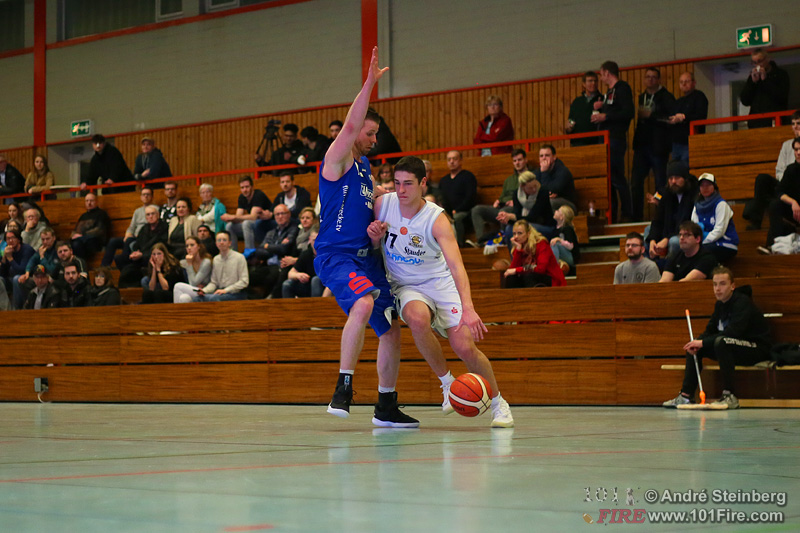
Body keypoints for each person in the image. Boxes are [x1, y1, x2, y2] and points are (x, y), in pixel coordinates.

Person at [314, 47, 417, 427]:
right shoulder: (336, 160)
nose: (374, 139)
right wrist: (370, 83)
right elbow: (350, 127)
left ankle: (385, 406)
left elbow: (379, 204)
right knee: (362, 303)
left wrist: (380, 231)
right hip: (336, 256)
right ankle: (343, 387)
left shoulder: (365, 170)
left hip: (366, 257)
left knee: (390, 328)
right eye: (370, 133)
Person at [371, 155, 514, 427]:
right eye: (397, 183)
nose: (401, 190)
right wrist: (374, 237)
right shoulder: (382, 205)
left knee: (465, 347)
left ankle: (499, 403)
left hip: (439, 283)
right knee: (416, 319)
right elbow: (367, 193)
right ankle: (447, 383)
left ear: (423, 183)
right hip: (406, 285)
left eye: (408, 184)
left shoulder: (436, 219)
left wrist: (469, 308)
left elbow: (457, 266)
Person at [663, 267, 771, 409]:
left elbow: (734, 332)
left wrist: (703, 342)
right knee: (695, 347)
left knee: (722, 342)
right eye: (715, 284)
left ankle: (729, 395)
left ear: (732, 286)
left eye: (722, 284)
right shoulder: (720, 305)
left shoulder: (742, 302)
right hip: (731, 347)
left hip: (755, 348)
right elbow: (710, 330)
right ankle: (686, 396)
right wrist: (697, 343)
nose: (718, 289)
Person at [591, 60, 635, 222]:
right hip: (605, 139)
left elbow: (628, 112)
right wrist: (602, 107)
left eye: (601, 74)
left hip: (615, 138)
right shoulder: (609, 92)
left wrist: (606, 116)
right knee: (609, 178)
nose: (601, 78)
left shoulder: (622, 88)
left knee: (617, 176)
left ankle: (627, 213)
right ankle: (613, 214)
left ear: (607, 73)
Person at [630, 68, 675, 221]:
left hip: (658, 146)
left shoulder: (666, 97)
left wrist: (652, 115)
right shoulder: (642, 97)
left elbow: (670, 119)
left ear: (659, 80)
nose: (650, 80)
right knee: (635, 182)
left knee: (660, 182)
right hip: (642, 145)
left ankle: (661, 215)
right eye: (647, 77)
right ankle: (636, 217)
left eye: (653, 77)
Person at [742, 111, 800, 229]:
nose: (795, 126)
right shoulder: (787, 145)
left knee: (775, 203)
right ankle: (756, 219)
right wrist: (786, 179)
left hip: (796, 187)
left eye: (798, 123)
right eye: (793, 123)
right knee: (762, 179)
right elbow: (779, 169)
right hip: (784, 183)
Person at [470, 149, 527, 244]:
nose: (517, 163)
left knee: (503, 212)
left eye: (519, 160)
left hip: (517, 209)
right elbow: (503, 196)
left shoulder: (530, 177)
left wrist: (516, 202)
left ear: (525, 160)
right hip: (503, 206)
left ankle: (503, 241)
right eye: (514, 161)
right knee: (477, 210)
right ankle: (481, 241)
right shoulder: (509, 180)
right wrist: (498, 201)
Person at [648, 161, 697, 262]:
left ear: (685, 179)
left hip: (686, 232)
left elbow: (687, 222)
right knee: (647, 233)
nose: (673, 181)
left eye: (677, 178)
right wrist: (652, 240)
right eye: (670, 178)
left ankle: (671, 268)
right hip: (670, 231)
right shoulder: (667, 194)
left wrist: (667, 239)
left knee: (674, 242)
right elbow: (658, 220)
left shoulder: (693, 194)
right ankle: (653, 266)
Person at [248, 204, 297, 299]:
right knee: (248, 277)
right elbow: (259, 251)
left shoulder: (293, 230)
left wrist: (267, 246)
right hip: (268, 264)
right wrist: (275, 248)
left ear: (289, 214)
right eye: (277, 214)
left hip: (282, 265)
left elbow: (284, 249)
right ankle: (256, 298)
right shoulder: (271, 232)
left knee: (272, 277)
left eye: (282, 213)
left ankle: (268, 299)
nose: (280, 216)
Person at [187, 231, 249, 302]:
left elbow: (244, 281)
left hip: (236, 293)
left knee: (214, 299)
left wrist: (226, 290)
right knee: (197, 299)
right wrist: (204, 290)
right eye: (219, 240)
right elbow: (214, 283)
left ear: (229, 243)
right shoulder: (216, 259)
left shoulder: (239, 257)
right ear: (216, 244)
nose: (221, 242)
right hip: (220, 293)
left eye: (224, 240)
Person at [497, 171, 555, 244]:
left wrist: (512, 216)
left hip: (544, 226)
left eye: (535, 186)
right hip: (528, 223)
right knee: (509, 229)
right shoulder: (517, 194)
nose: (534, 189)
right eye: (530, 188)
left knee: (525, 229)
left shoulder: (543, 192)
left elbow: (533, 217)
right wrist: (507, 219)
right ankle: (515, 251)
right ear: (522, 187)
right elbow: (517, 214)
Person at [691, 173, 738, 263]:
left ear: (714, 187)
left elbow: (719, 230)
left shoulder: (721, 204)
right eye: (702, 185)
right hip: (704, 243)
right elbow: (695, 228)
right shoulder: (696, 206)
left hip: (725, 244)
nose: (705, 188)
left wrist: (700, 243)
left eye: (708, 185)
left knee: (699, 252)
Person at [503, 219, 565, 288]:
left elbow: (541, 269)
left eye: (520, 233)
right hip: (531, 277)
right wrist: (518, 250)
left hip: (551, 279)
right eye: (514, 234)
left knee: (529, 275)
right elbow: (512, 269)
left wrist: (516, 270)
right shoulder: (519, 247)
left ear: (528, 234)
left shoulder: (541, 244)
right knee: (510, 277)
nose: (516, 236)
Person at [117, 205, 168, 287]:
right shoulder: (144, 228)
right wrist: (135, 252)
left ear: (158, 215)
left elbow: (161, 246)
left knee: (129, 270)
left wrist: (142, 255)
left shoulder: (164, 227)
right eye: (148, 214)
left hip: (154, 257)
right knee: (121, 262)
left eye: (153, 214)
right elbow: (137, 244)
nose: (150, 216)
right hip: (141, 257)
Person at [739, 48, 790, 129]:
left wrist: (765, 80)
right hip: (756, 123)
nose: (758, 65)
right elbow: (745, 100)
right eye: (754, 63)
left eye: (760, 61)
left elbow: (781, 97)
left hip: (774, 121)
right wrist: (752, 83)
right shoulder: (753, 77)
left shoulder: (780, 74)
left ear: (767, 59)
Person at [764, 137, 800, 248]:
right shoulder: (791, 169)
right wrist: (793, 202)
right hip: (795, 210)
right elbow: (779, 191)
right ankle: (774, 245)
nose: (798, 153)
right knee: (775, 204)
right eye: (796, 150)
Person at [221, 176, 273, 251]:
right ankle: (233, 252)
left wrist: (233, 217)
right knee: (229, 226)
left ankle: (249, 251)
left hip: (266, 224)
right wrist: (230, 219)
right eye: (242, 188)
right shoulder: (242, 197)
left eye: (247, 187)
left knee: (246, 223)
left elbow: (253, 217)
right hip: (254, 225)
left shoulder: (258, 194)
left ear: (252, 187)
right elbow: (238, 216)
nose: (245, 190)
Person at [439, 150, 477, 247]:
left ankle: (459, 244)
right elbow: (442, 199)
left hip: (466, 211)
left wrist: (457, 210)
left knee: (457, 217)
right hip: (448, 212)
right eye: (449, 159)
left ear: (461, 161)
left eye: (454, 159)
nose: (452, 161)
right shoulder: (444, 180)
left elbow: (470, 197)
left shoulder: (468, 177)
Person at [668, 72, 708, 163]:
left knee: (686, 166)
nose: (684, 84)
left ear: (694, 83)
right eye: (681, 82)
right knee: (676, 167)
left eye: (687, 81)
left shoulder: (699, 97)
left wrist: (684, 117)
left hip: (691, 141)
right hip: (677, 142)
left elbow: (701, 116)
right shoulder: (679, 101)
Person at [13, 227, 57, 309]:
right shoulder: (42, 249)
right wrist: (27, 273)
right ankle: (22, 308)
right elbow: (32, 261)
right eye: (43, 239)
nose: (45, 242)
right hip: (39, 278)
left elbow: (51, 270)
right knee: (18, 279)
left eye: (47, 239)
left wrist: (42, 257)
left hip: (51, 280)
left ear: (54, 238)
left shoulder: (57, 250)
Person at [282, 231, 324, 298]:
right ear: (310, 240)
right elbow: (290, 273)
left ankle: (317, 304)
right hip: (308, 286)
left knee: (316, 280)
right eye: (314, 240)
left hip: (325, 286)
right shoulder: (306, 254)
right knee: (287, 284)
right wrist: (298, 275)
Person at [566, 71, 603, 147]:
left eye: (595, 81)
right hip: (577, 143)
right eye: (590, 81)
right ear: (584, 84)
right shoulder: (577, 102)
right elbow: (571, 120)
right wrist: (568, 127)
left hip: (596, 143)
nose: (593, 83)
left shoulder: (603, 100)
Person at [535, 144, 576, 212]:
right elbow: (534, 190)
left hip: (567, 205)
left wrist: (544, 173)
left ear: (554, 157)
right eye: (541, 156)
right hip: (549, 200)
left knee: (549, 202)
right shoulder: (538, 172)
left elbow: (552, 189)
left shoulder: (563, 171)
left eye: (547, 155)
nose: (544, 158)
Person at [172, 236, 213, 303]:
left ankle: (174, 310)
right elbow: (192, 284)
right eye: (187, 246)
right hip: (193, 290)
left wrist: (190, 264)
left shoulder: (206, 262)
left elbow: (193, 283)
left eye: (192, 245)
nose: (189, 248)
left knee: (178, 286)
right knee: (184, 298)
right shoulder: (184, 262)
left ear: (199, 246)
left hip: (204, 291)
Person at [70, 192, 111, 259]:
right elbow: (76, 230)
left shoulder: (101, 214)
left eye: (91, 201)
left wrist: (83, 235)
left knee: (78, 244)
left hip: (95, 241)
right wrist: (74, 235)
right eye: (87, 201)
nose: (89, 203)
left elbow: (100, 230)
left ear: (96, 202)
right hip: (81, 241)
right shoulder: (83, 216)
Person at [0, 228, 34, 307]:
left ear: (18, 239)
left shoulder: (26, 249)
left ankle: (16, 309)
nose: (10, 241)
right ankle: (6, 309)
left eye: (13, 238)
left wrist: (10, 259)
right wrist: (4, 258)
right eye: (8, 239)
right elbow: (3, 274)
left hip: (29, 278)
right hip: (12, 279)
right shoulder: (8, 251)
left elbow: (22, 270)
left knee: (16, 279)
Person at [550, 205, 580, 274]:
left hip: (571, 257)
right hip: (563, 255)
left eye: (558, 211)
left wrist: (559, 240)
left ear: (562, 217)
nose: (555, 211)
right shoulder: (556, 229)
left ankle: (554, 268)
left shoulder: (567, 229)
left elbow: (570, 246)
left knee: (554, 244)